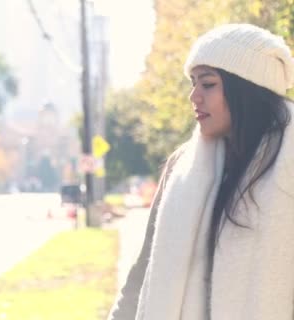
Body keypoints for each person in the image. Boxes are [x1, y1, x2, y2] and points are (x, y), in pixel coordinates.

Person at [108, 23, 294, 320]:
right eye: (193, 83)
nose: (194, 96)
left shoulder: (288, 166)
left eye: (208, 84)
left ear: (246, 89)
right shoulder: (182, 168)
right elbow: (144, 271)